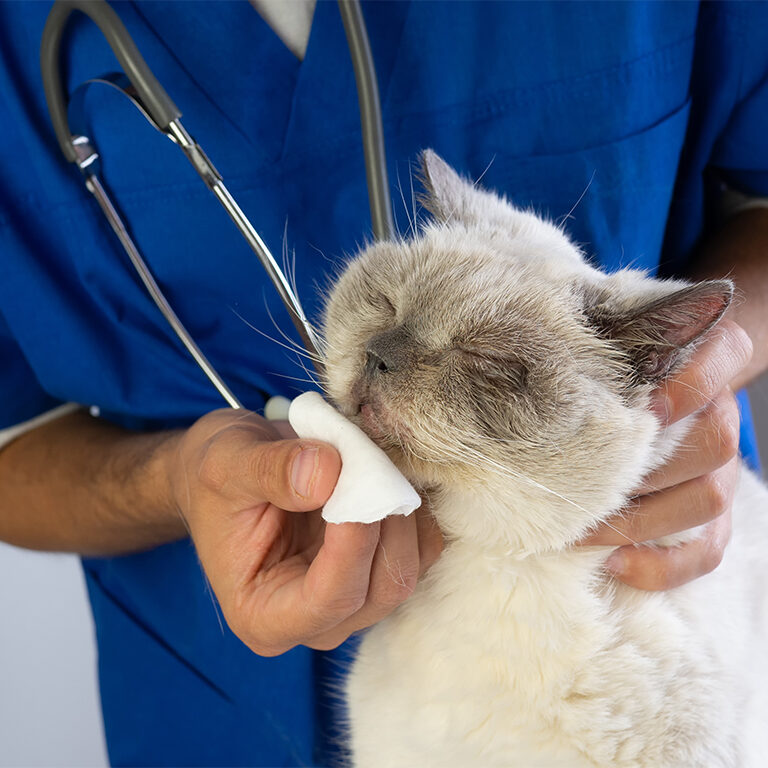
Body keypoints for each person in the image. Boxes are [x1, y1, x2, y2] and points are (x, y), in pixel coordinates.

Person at [0, 1, 765, 765]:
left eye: (490, 363)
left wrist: (694, 374)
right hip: (204, 681)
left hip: (657, 548)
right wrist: (175, 482)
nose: (388, 361)